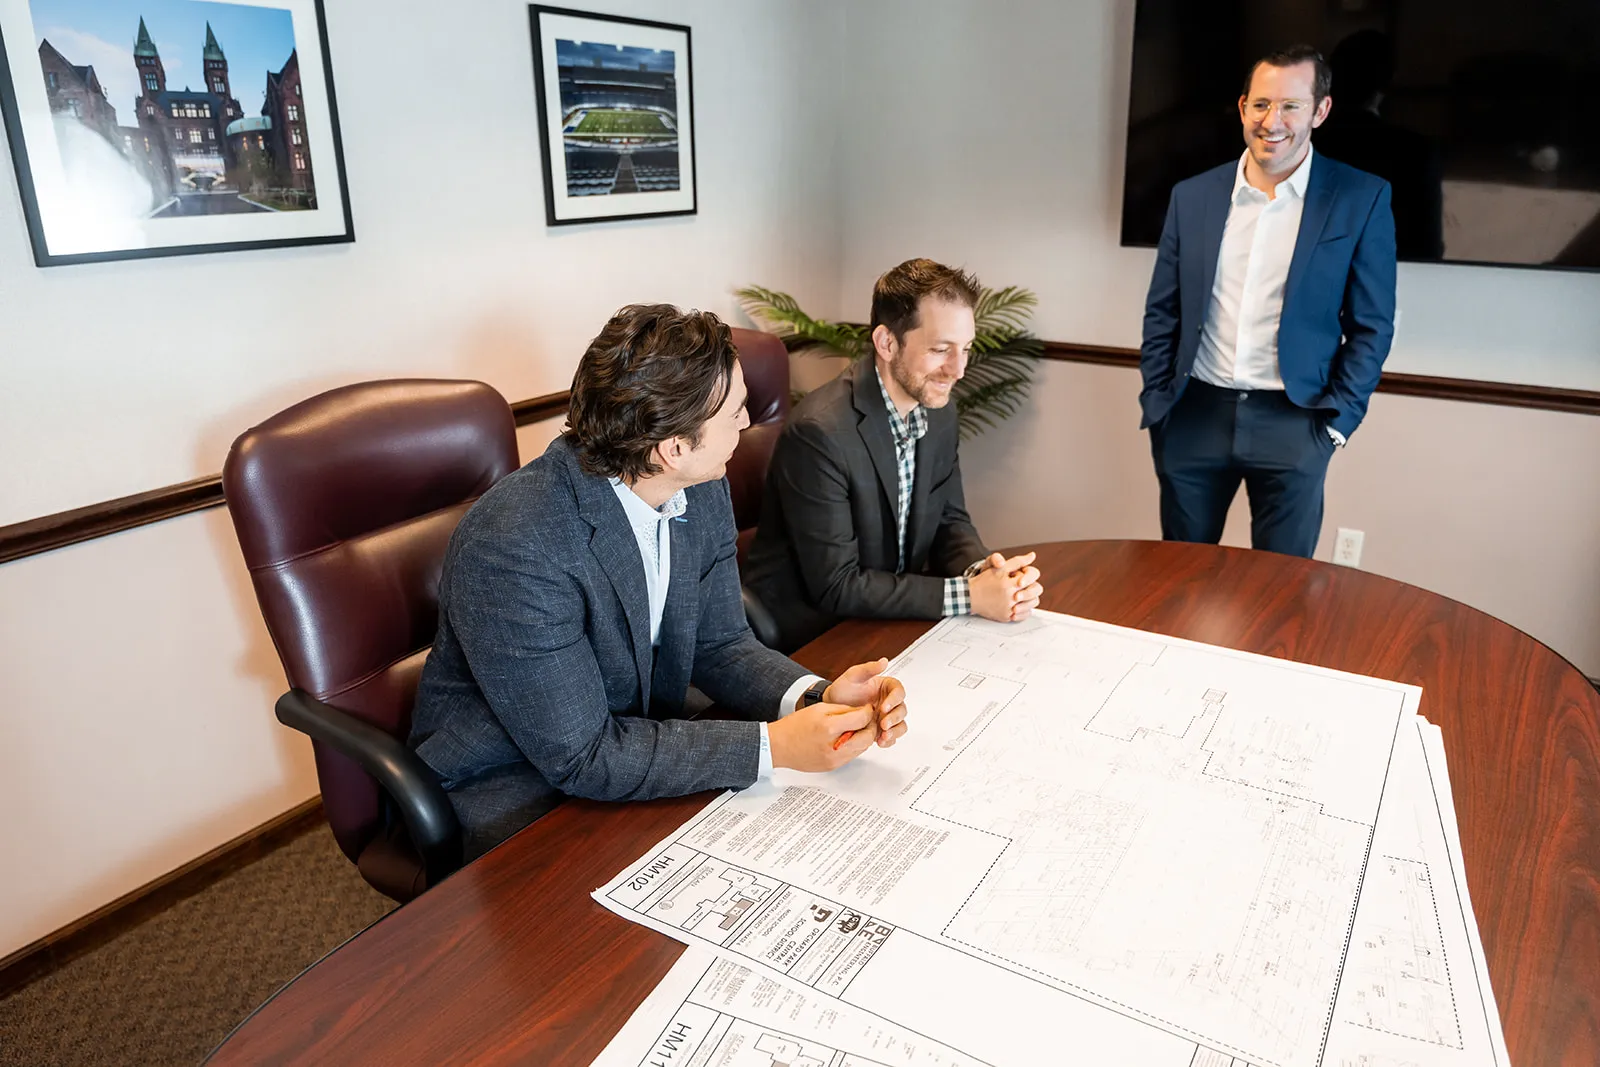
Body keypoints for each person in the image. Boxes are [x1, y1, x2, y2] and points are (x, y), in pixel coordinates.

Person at [410, 304, 909, 861]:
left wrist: (815, 696)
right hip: (521, 786)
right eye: (735, 413)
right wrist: (773, 746)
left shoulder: (698, 484)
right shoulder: (514, 543)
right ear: (672, 447)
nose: (746, 424)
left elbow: (719, 643)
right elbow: (584, 756)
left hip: (637, 737)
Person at [1139, 45, 1397, 559]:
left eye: (1290, 106)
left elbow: (1372, 326)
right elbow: (1162, 311)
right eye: (1260, 104)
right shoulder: (1192, 196)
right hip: (1194, 417)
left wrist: (1337, 425)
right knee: (1179, 579)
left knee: (1282, 595)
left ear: (1320, 111)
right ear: (1242, 108)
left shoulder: (1360, 198)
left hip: (1296, 423)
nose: (1271, 121)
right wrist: (1159, 399)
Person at [743, 258, 1043, 654]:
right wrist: (970, 596)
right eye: (941, 350)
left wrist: (985, 573)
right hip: (815, 634)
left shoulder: (938, 411)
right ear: (886, 343)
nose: (959, 370)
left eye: (965, 349)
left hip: (888, 618)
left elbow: (949, 521)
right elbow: (837, 586)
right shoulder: (820, 433)